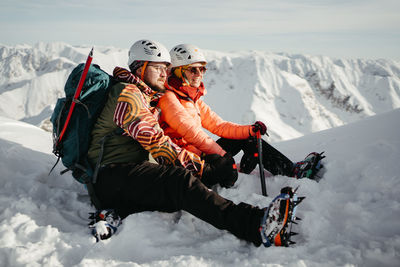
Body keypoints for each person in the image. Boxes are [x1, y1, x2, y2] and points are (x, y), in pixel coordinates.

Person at [86, 39, 296, 247]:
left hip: (125, 175)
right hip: (111, 176)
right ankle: (256, 225)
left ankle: (118, 211)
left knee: (174, 184)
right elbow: (157, 143)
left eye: (166, 68)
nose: (163, 74)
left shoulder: (145, 95)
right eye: (158, 68)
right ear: (140, 68)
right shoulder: (128, 95)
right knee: (179, 181)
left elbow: (209, 127)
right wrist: (203, 167)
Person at [158, 44, 322, 183]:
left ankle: (276, 170)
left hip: (199, 153)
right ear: (178, 71)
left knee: (248, 137)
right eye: (193, 70)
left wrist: (249, 130)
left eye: (202, 69)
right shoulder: (169, 98)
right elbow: (193, 134)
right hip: (188, 162)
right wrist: (222, 155)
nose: (199, 74)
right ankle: (291, 172)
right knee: (244, 142)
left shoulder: (191, 98)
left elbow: (218, 125)